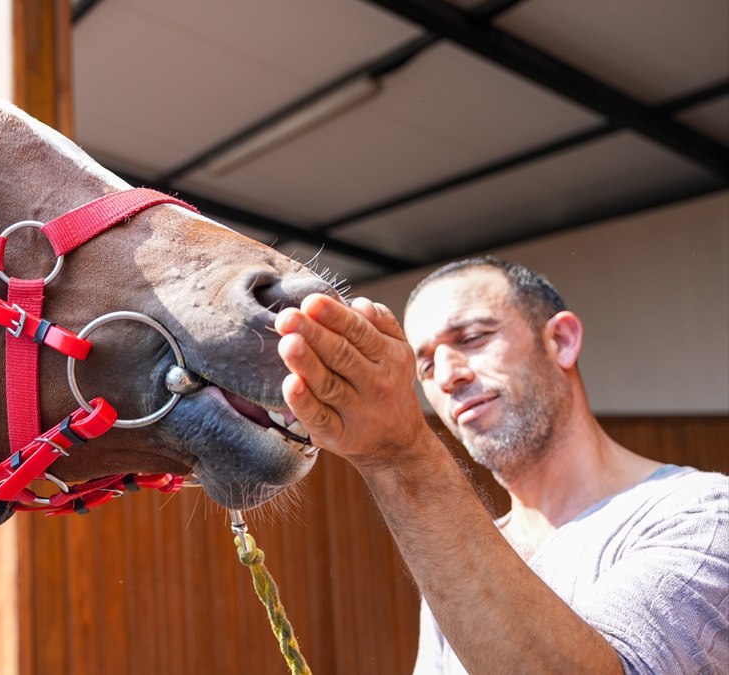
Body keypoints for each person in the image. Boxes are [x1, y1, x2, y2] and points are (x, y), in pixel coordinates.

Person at [274, 256, 728, 673]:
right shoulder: (463, 551)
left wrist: (399, 453)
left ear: (562, 341)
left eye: (472, 338)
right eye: (426, 366)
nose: (449, 376)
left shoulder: (703, 514)